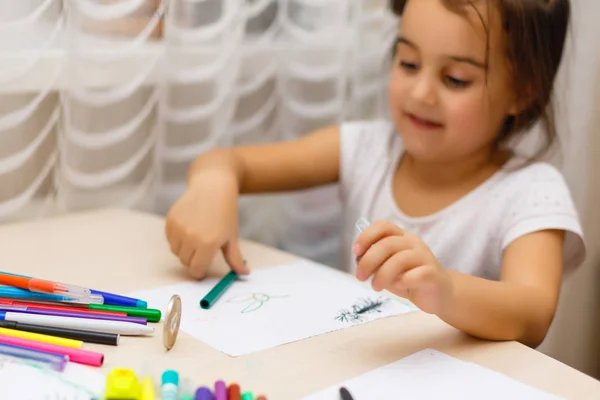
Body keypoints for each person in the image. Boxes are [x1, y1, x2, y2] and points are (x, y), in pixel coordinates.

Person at [165, 0, 586, 348]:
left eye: (455, 79)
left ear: (523, 90)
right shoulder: (367, 149)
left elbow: (532, 313)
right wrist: (213, 184)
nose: (421, 93)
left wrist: (446, 290)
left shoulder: (532, 191)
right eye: (407, 63)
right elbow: (226, 162)